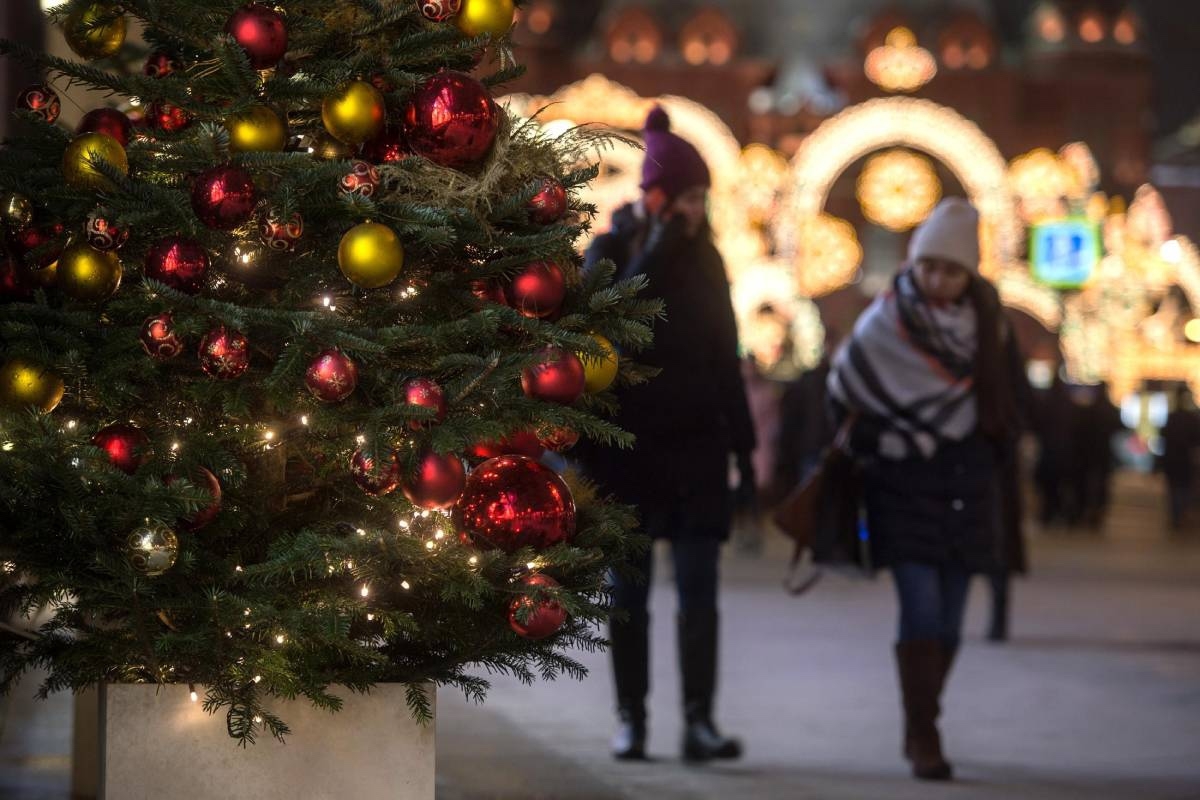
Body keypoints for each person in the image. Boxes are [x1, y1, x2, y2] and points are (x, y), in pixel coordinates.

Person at [578, 106, 756, 763]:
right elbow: (609, 326)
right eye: (686, 197)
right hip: (626, 450)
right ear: (655, 196)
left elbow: (725, 355)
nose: (696, 210)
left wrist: (745, 450)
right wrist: (657, 246)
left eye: (702, 198)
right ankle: (632, 719)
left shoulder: (709, 259)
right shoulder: (612, 248)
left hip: (699, 450)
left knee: (700, 595)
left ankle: (699, 722)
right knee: (627, 597)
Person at [827, 198, 1024, 781]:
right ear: (914, 263)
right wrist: (890, 439)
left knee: (953, 622)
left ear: (970, 275)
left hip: (968, 488)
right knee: (923, 609)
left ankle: (923, 718)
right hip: (901, 483)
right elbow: (843, 388)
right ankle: (924, 734)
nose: (938, 280)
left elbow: (1009, 404)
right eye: (929, 266)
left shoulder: (991, 326)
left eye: (952, 270)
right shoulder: (884, 321)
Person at [1161, 385, 1200, 529]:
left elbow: (1164, 436)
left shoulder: (1172, 417)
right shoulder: (1192, 419)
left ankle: (1177, 514)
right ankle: (1180, 514)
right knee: (1183, 487)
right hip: (1185, 459)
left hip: (1174, 459)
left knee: (1175, 488)